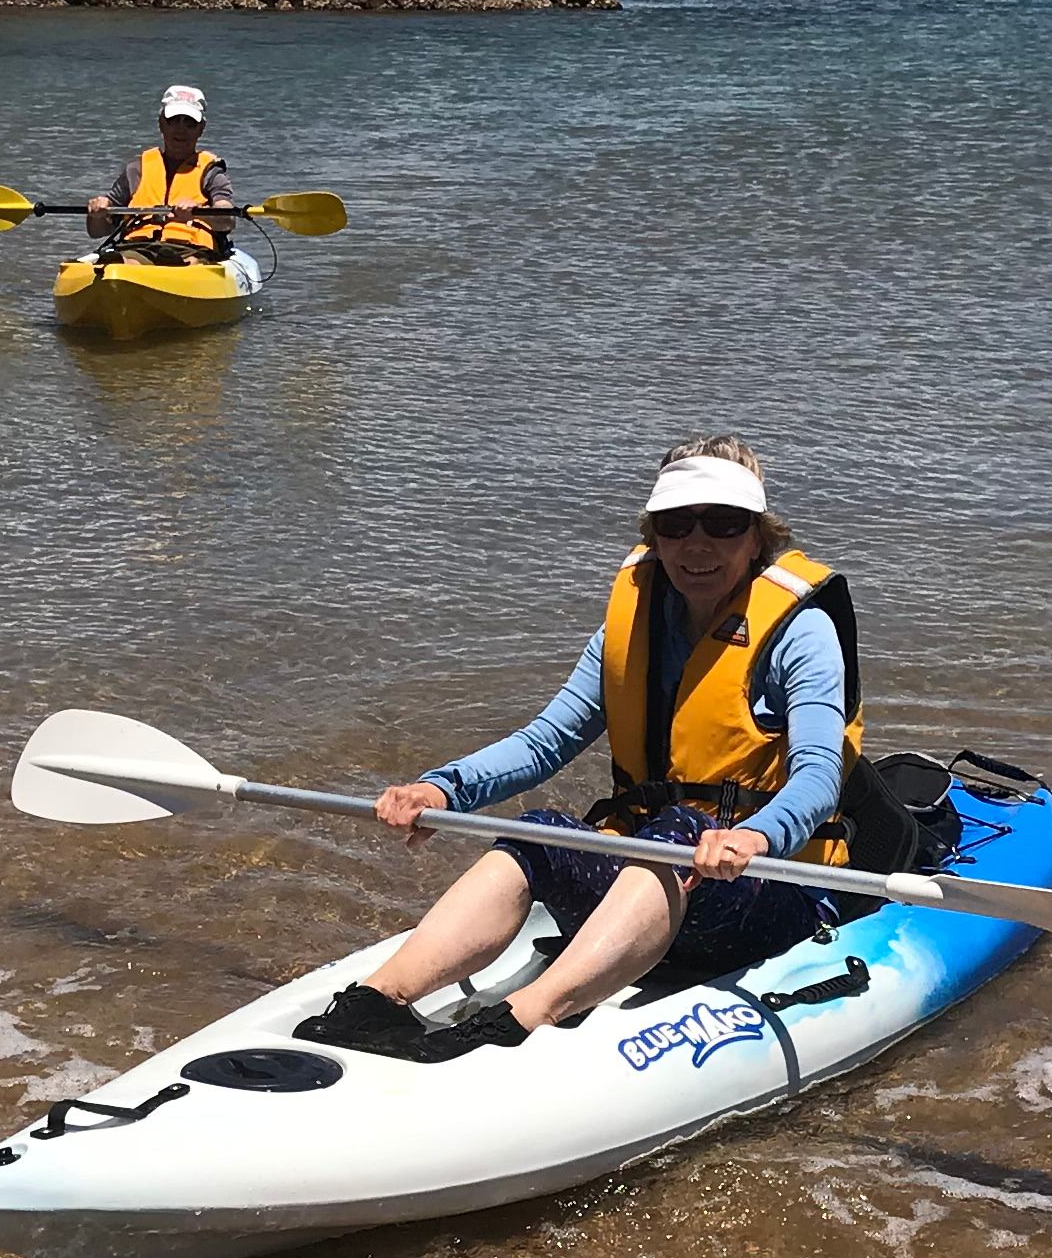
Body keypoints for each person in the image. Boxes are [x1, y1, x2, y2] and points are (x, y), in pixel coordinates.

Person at [299, 438, 863, 1062]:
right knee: (542, 832)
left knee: (675, 832)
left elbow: (819, 776)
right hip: (659, 883)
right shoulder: (632, 624)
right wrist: (441, 789)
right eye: (677, 526)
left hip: (762, 888)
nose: (697, 546)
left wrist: (755, 837)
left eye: (724, 525)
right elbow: (545, 742)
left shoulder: (801, 632)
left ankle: (519, 1021)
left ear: (758, 536)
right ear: (655, 536)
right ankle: (381, 1000)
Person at [85, 85, 234, 256]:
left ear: (201, 129)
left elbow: (227, 220)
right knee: (123, 261)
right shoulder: (136, 170)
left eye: (190, 123)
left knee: (183, 261)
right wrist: (97, 213)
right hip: (136, 249)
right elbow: (96, 231)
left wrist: (199, 213)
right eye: (173, 120)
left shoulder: (211, 173)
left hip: (191, 252)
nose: (180, 129)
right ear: (161, 123)